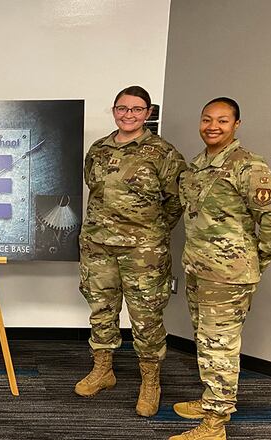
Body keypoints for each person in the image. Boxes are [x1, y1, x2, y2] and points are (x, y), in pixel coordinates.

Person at [169, 98, 271, 440]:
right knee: (207, 343)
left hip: (228, 276)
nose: (213, 126)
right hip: (199, 270)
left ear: (236, 124)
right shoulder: (197, 166)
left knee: (219, 348)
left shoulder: (247, 165)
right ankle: (213, 400)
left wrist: (255, 261)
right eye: (207, 119)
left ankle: (214, 425)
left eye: (222, 120)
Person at [74, 86, 187, 417]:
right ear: (114, 111)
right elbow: (94, 190)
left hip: (143, 251)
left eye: (136, 109)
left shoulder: (163, 153)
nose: (128, 115)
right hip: (98, 246)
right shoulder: (98, 149)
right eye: (122, 109)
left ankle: (150, 382)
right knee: (101, 309)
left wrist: (151, 232)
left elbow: (176, 201)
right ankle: (103, 370)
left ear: (148, 113)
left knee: (146, 317)